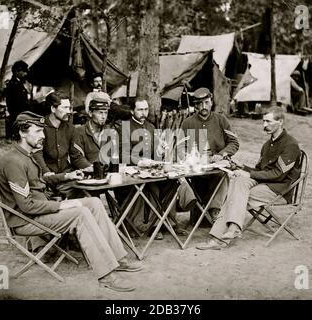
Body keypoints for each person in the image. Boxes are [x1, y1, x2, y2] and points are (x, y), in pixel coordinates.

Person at [0, 111, 143, 292]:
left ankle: (119, 259)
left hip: (40, 211)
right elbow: (26, 205)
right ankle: (106, 274)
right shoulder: (13, 161)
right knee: (80, 213)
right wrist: (62, 204)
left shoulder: (27, 155)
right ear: (22, 133)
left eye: (43, 131)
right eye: (38, 131)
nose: (43, 136)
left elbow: (41, 184)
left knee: (94, 203)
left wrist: (65, 179)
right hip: (26, 220)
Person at [196, 107, 301, 250]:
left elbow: (278, 174)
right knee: (238, 182)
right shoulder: (267, 145)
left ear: (280, 122)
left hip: (280, 189)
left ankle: (220, 237)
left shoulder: (290, 144)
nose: (265, 125)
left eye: (269, 121)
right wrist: (243, 167)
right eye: (263, 121)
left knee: (235, 193)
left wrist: (249, 174)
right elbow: (261, 171)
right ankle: (230, 231)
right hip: (264, 184)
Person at [118, 97, 196, 239]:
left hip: (150, 169)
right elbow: (123, 154)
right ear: (132, 111)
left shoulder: (151, 127)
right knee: (154, 185)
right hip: (132, 170)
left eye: (146, 109)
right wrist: (141, 161)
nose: (143, 113)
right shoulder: (125, 127)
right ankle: (155, 225)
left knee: (171, 180)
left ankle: (170, 222)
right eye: (140, 109)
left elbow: (155, 154)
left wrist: (159, 151)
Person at [179, 87, 239, 222]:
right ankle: (197, 210)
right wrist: (190, 157)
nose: (203, 107)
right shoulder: (187, 123)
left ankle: (215, 210)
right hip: (197, 165)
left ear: (211, 101)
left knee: (222, 174)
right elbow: (181, 147)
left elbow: (234, 143)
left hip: (217, 163)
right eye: (199, 104)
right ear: (195, 106)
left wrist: (222, 154)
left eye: (206, 102)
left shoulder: (221, 120)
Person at [33, 90, 92, 198]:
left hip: (66, 175)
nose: (69, 111)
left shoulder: (70, 128)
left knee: (89, 191)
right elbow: (37, 153)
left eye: (69, 108)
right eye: (64, 108)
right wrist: (46, 171)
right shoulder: (40, 127)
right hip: (46, 178)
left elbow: (76, 156)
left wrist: (89, 167)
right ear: (53, 109)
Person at [74, 97, 115, 166]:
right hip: (86, 173)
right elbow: (77, 158)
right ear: (90, 113)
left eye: (106, 113)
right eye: (100, 113)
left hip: (106, 172)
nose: (103, 117)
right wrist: (93, 168)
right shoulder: (79, 132)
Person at [4, 61, 35, 141]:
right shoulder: (12, 83)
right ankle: (9, 136)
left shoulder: (20, 82)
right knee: (12, 120)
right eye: (24, 72)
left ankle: (18, 135)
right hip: (14, 107)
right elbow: (13, 98)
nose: (25, 74)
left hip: (20, 106)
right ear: (17, 72)